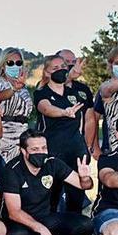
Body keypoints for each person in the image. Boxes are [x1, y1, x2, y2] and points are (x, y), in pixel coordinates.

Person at [1, 130, 94, 235]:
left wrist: (84, 177)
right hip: (18, 221)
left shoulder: (52, 162)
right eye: (35, 149)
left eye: (44, 148)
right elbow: (14, 212)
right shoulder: (12, 170)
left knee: (85, 225)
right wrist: (42, 229)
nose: (41, 152)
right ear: (23, 151)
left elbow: (84, 185)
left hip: (44, 217)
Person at [33, 55, 89, 216]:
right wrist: (64, 112)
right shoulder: (41, 93)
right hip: (53, 150)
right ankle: (48, 229)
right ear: (47, 72)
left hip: (76, 149)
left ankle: (74, 228)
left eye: (63, 66)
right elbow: (46, 108)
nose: (60, 71)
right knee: (52, 192)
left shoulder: (74, 93)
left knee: (76, 191)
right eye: (55, 68)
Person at [0, 48, 32, 162]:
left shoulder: (24, 88)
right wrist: (13, 89)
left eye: (18, 63)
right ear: (3, 65)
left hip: (22, 136)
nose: (15, 66)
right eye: (10, 63)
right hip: (3, 137)